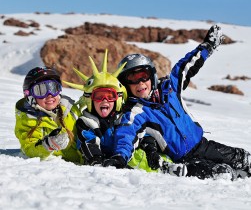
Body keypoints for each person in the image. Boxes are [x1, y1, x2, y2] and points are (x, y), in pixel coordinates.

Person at [103, 25, 251, 180]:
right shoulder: (136, 111)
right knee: (223, 173)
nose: (140, 83)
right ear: (125, 85)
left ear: (152, 75)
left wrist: (207, 46)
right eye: (131, 79)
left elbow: (186, 65)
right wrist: (120, 157)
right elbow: (126, 134)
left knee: (244, 158)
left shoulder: (170, 87)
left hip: (203, 145)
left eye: (143, 75)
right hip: (185, 159)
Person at [64, 50, 187, 176]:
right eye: (99, 96)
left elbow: (141, 135)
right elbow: (88, 143)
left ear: (117, 98)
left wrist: (151, 149)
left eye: (110, 96)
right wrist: (97, 161)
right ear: (90, 99)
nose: (105, 100)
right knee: (133, 158)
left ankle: (164, 165)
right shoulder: (87, 122)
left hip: (124, 158)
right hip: (105, 160)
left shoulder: (123, 117)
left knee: (139, 153)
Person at [15, 66, 82, 163]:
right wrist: (48, 145)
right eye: (40, 90)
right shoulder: (29, 119)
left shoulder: (71, 110)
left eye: (53, 88)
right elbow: (29, 149)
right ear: (30, 96)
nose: (49, 94)